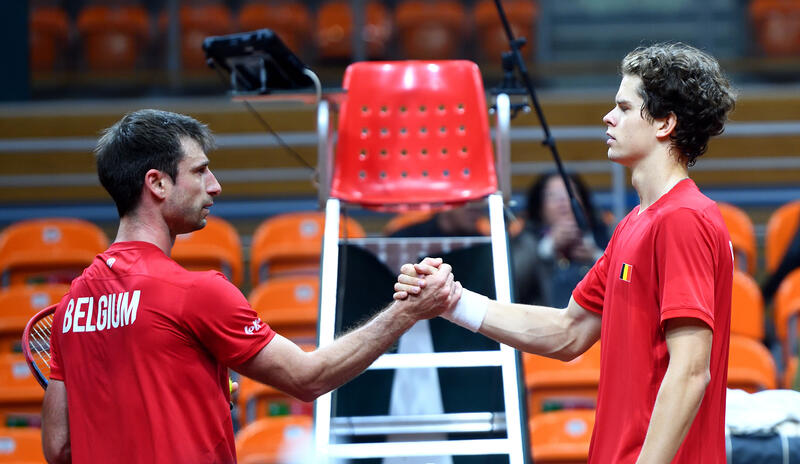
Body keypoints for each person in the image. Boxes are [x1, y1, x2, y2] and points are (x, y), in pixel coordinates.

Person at [41, 109, 460, 464]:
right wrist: (409, 310)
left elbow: (59, 447)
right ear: (157, 183)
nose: (215, 185)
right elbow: (309, 378)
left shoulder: (70, 306)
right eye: (200, 171)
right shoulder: (194, 292)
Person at [395, 42, 736, 463]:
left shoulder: (683, 218)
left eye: (625, 108)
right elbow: (568, 330)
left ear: (665, 123)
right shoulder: (634, 224)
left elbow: (688, 372)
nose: (608, 117)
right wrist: (453, 301)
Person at [516, 171, 610, 306]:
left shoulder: (604, 237)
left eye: (570, 193)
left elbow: (626, 278)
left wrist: (596, 257)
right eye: (552, 195)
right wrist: (548, 246)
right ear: (540, 208)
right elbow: (513, 280)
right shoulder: (527, 240)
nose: (563, 202)